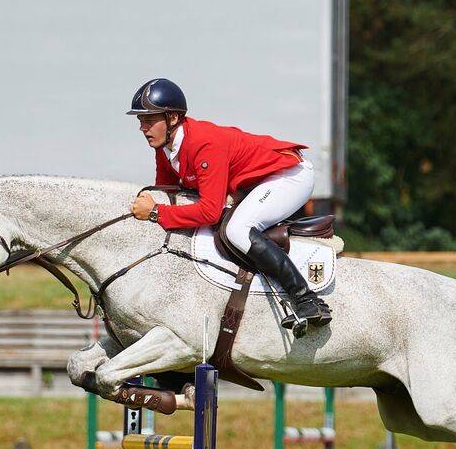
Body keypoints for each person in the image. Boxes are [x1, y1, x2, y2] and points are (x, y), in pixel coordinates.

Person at [127, 78, 331, 332]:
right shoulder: (165, 148)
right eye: (140, 122)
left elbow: (210, 211)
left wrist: (156, 212)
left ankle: (306, 300)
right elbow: (170, 195)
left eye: (149, 120)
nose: (143, 128)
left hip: (289, 175)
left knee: (237, 229)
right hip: (255, 183)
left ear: (173, 119)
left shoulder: (203, 143)